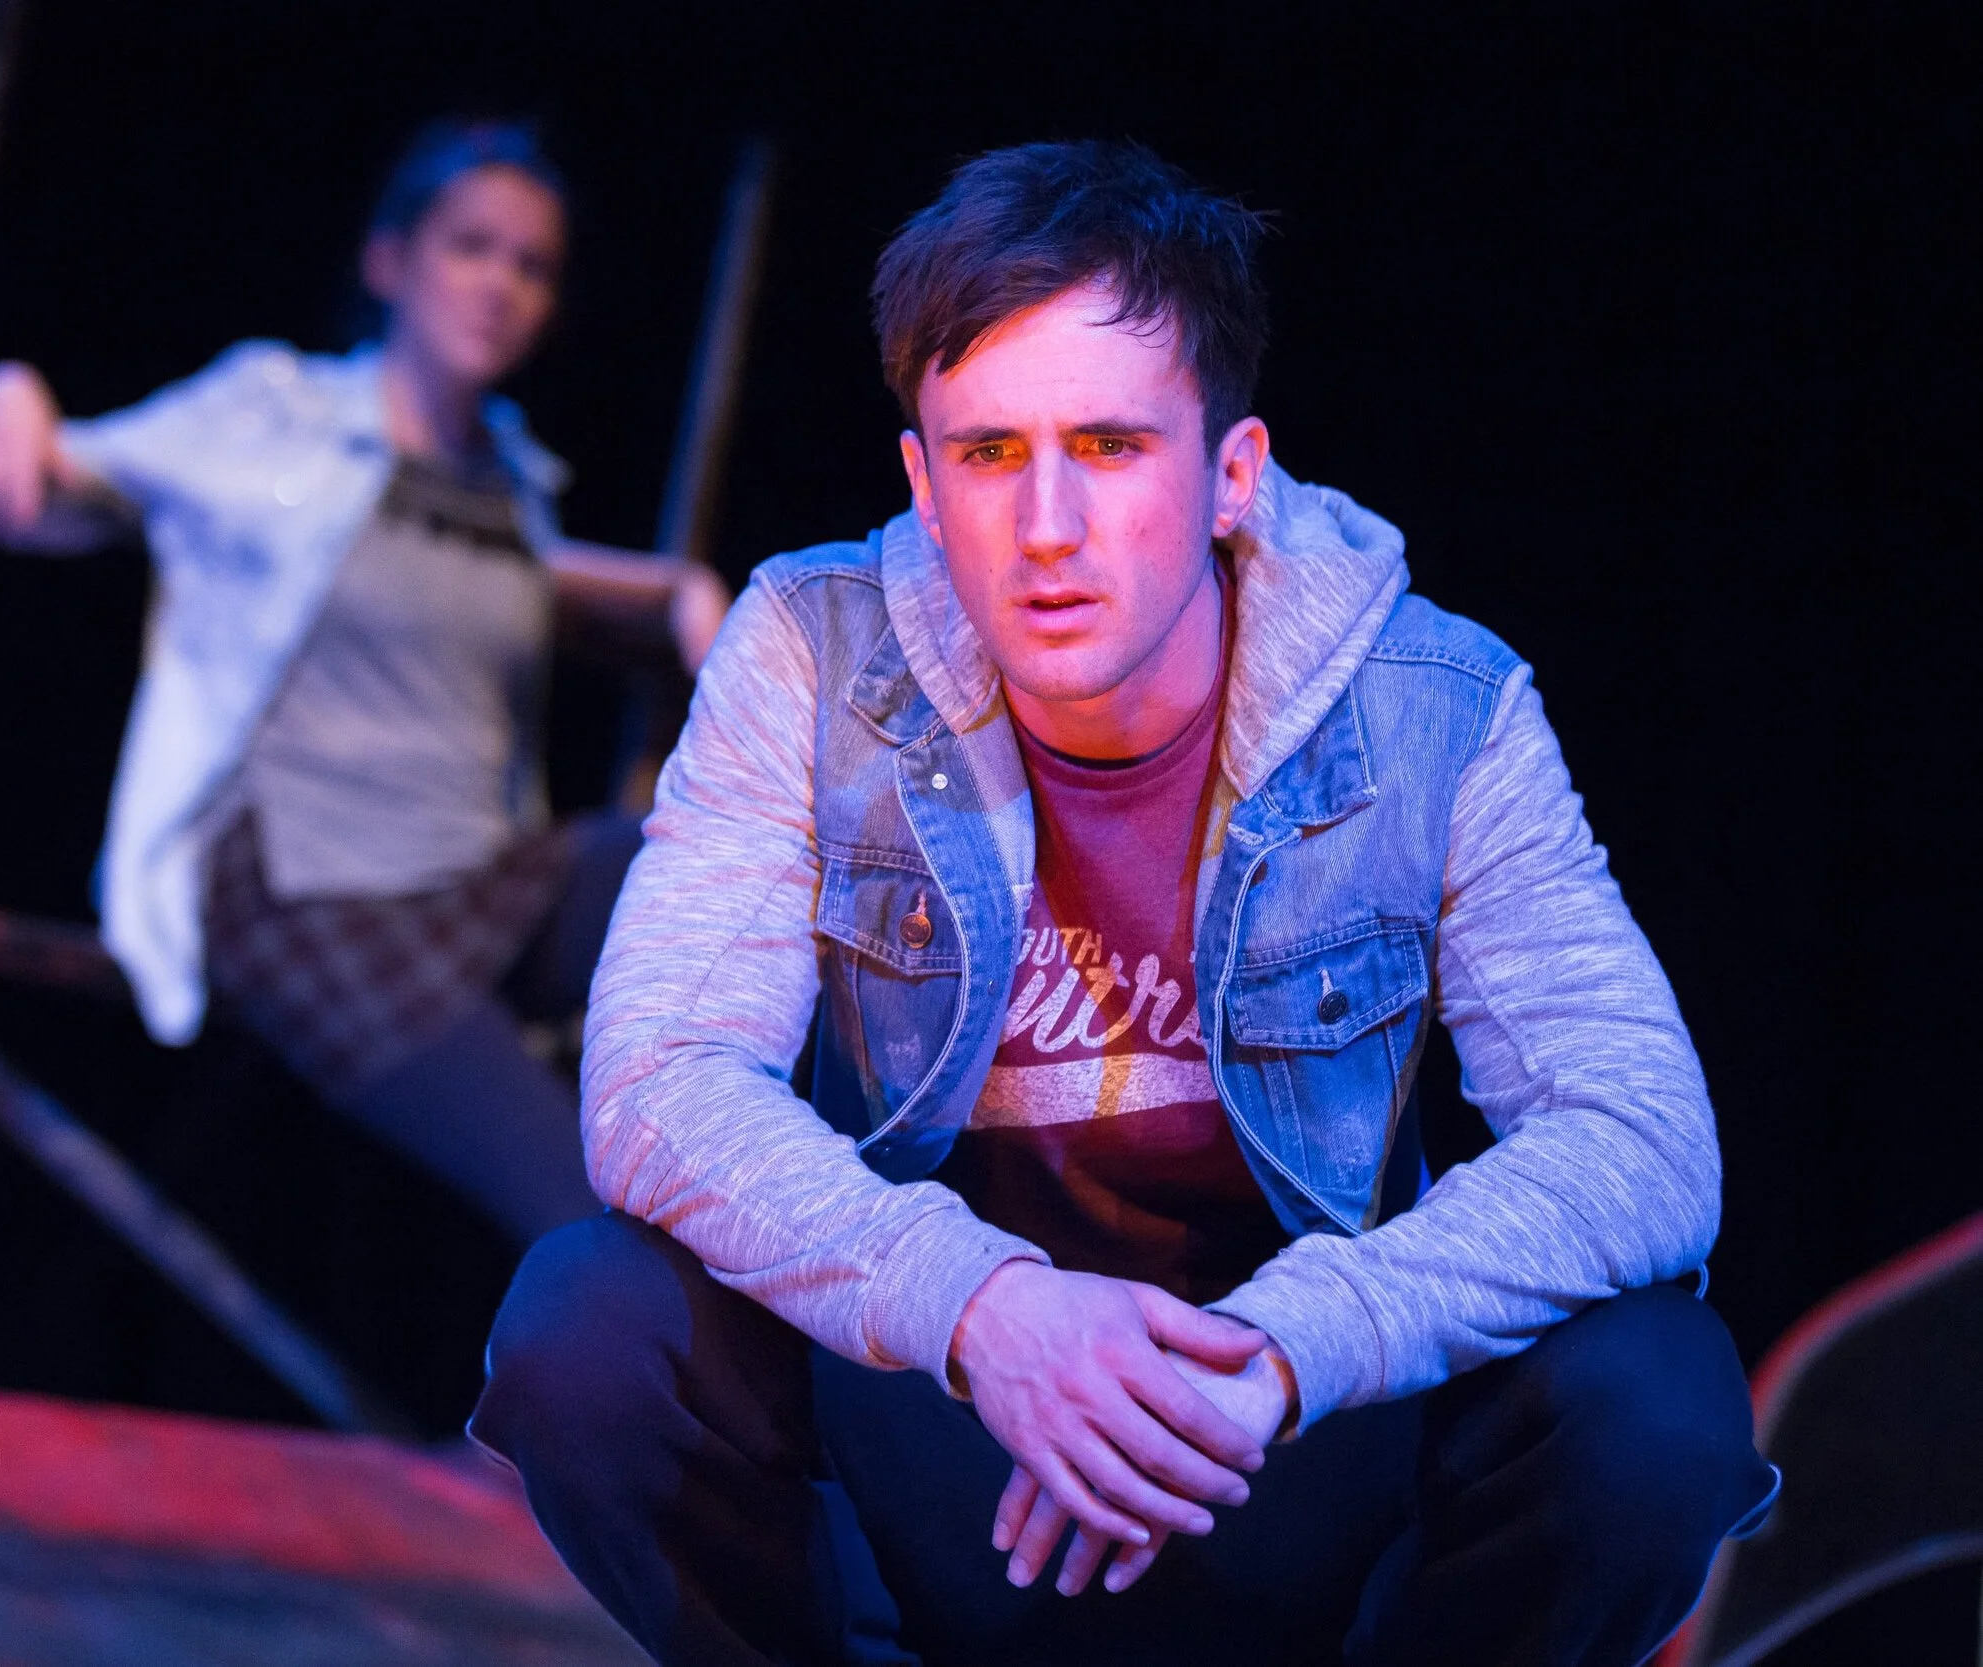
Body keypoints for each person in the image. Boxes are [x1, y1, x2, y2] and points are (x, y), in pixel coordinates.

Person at [471, 140, 1780, 1665]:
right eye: (988, 454)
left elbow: (1640, 1134)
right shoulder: (813, 650)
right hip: (953, 1410)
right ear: (922, 482)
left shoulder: (1433, 701)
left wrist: (1286, 1347)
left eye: (1108, 446)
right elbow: (657, 1082)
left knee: (1656, 1399)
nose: (1047, 526)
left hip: (1287, 1429)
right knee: (588, 1328)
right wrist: (989, 1310)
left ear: (1233, 473)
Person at [0, 121, 727, 1247]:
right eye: (471, 246)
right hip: (312, 894)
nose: (500, 284)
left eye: (532, 265)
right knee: (595, 1212)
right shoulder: (278, 417)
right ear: (389, 261)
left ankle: (888, 1182)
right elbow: (64, 483)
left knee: (751, 869)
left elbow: (530, 573)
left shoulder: (507, 477)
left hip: (478, 875)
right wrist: (8, 390)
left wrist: (682, 590)